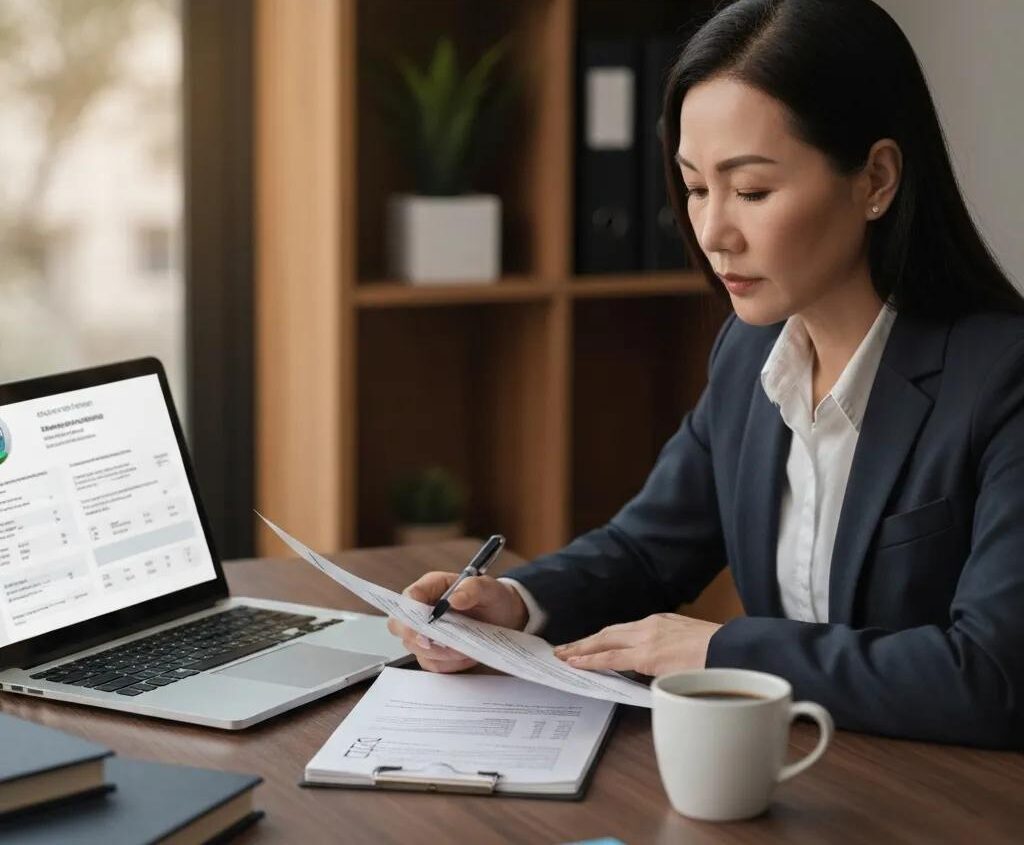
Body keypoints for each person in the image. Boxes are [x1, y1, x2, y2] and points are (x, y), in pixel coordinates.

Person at [387, 0, 1024, 749]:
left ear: (876, 179)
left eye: (751, 190)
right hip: (795, 774)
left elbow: (991, 675)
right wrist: (514, 604)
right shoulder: (749, 353)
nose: (713, 231)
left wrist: (719, 651)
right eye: (694, 187)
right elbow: (647, 548)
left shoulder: (1002, 377)